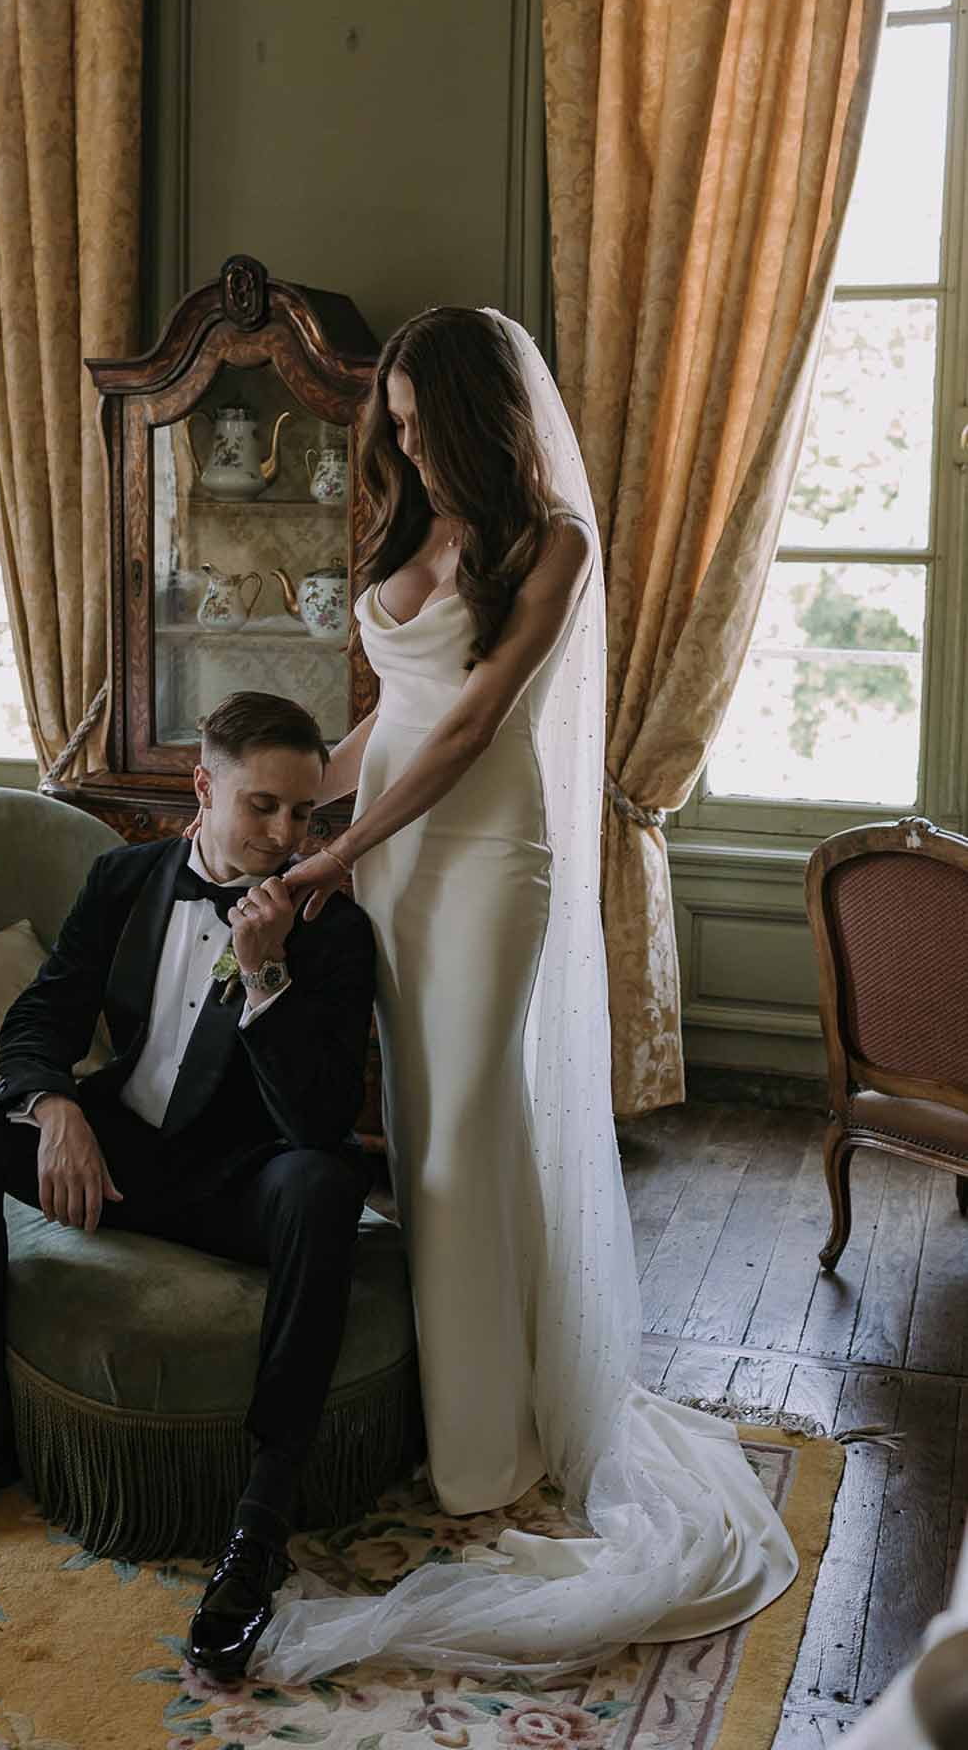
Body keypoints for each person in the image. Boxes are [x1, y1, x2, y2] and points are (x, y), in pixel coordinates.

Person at [250, 308, 797, 1683]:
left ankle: (488, 1452)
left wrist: (339, 851)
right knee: (420, 1132)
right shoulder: (404, 534)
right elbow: (388, 712)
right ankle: (461, 1409)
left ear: (491, 424)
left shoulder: (552, 543)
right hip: (388, 859)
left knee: (462, 1138)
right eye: (399, 432)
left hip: (486, 864)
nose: (412, 453)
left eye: (432, 431)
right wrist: (280, 802)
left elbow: (477, 718)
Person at [0, 690, 377, 1683]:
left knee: (323, 1184)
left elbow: (316, 1117)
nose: (284, 835)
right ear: (203, 785)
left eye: (305, 815)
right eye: (261, 806)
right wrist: (54, 1106)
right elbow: (40, 1016)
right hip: (123, 1150)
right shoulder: (123, 876)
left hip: (242, 1177)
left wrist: (263, 972)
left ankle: (259, 1525)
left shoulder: (332, 928)